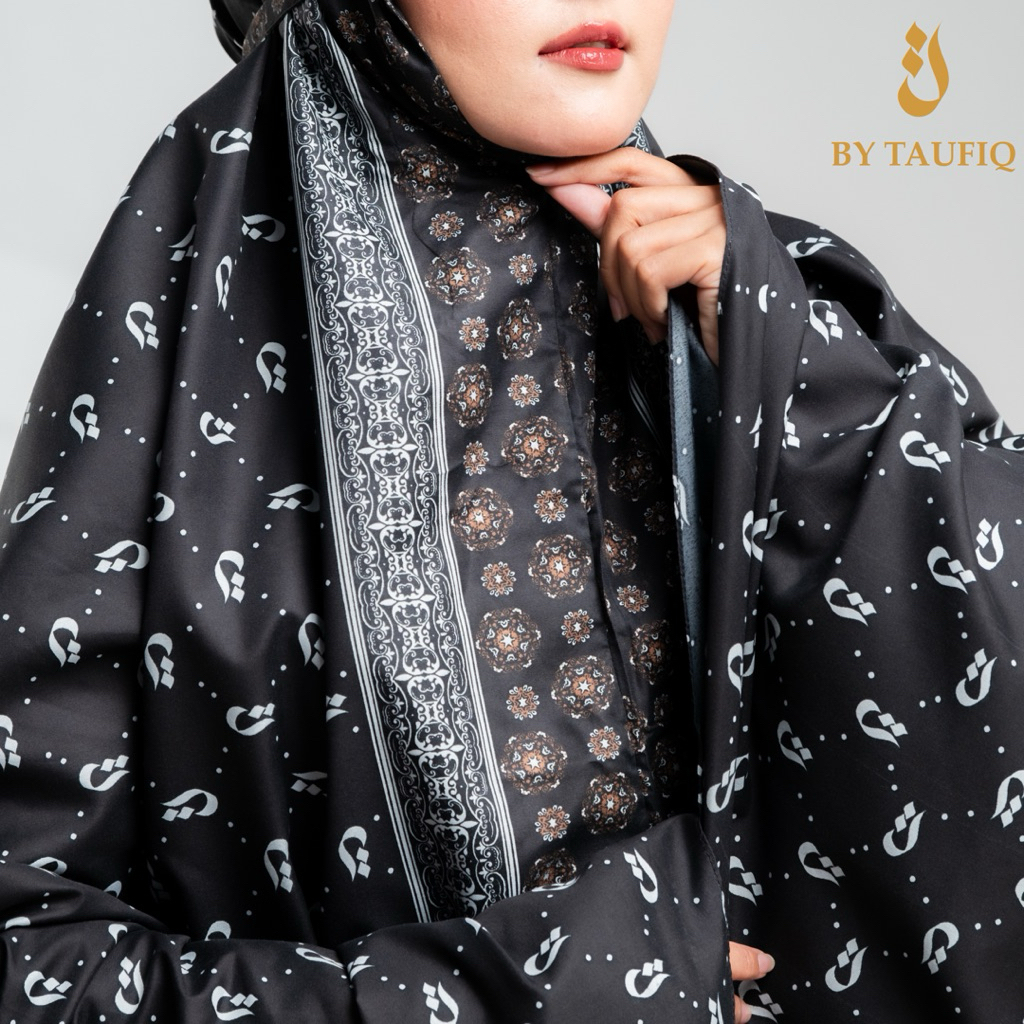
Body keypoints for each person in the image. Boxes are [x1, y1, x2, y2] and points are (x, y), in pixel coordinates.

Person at [3, 2, 1023, 1022]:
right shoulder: (190, 350)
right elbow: (29, 961)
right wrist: (516, 998)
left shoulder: (772, 311)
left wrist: (803, 380)